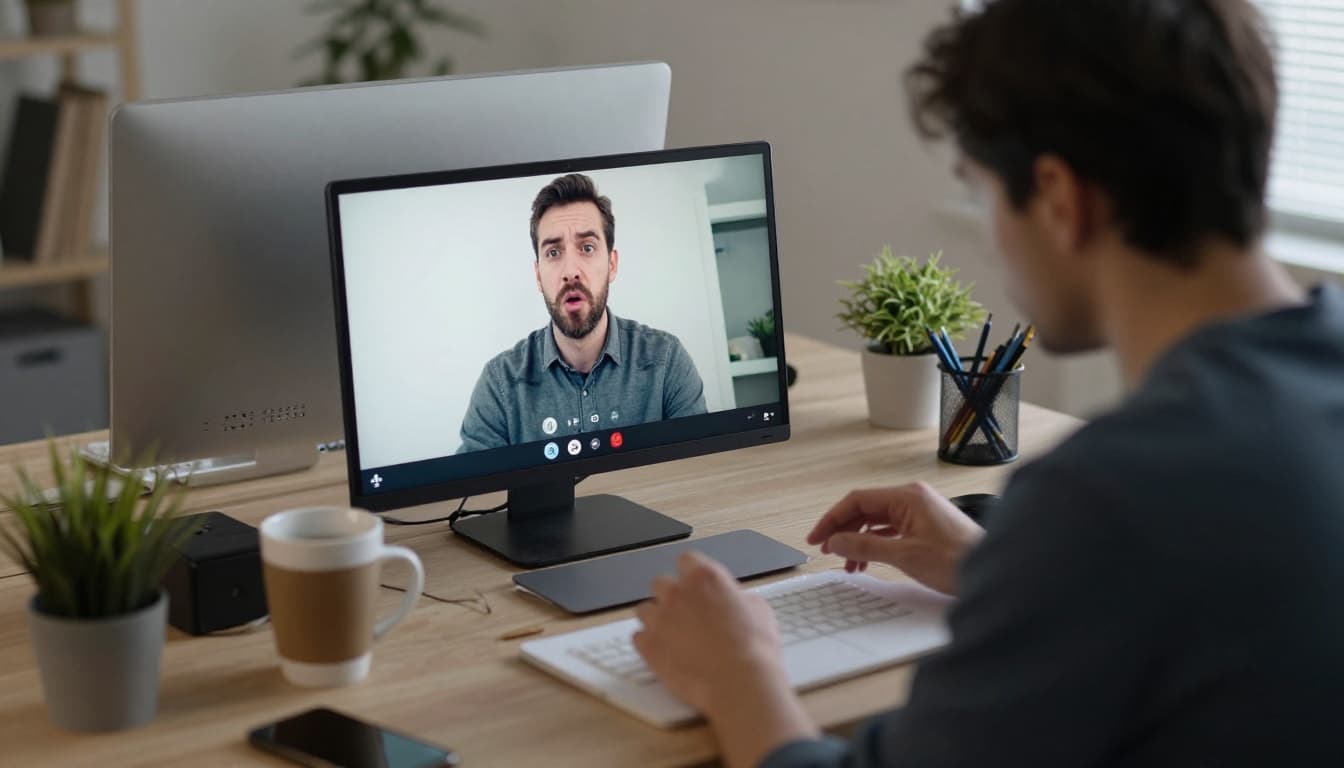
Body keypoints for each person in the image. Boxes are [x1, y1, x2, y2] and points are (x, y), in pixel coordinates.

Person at [631, 1, 1344, 766]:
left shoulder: (1109, 500)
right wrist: (1001, 573)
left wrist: (739, 670)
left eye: (985, 193)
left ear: (1061, 201)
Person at [458, 173, 707, 453]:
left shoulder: (666, 361)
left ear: (612, 264)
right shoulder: (500, 385)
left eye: (587, 248)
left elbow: (700, 472)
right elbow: (473, 493)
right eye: (553, 253)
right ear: (538, 275)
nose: (571, 272)